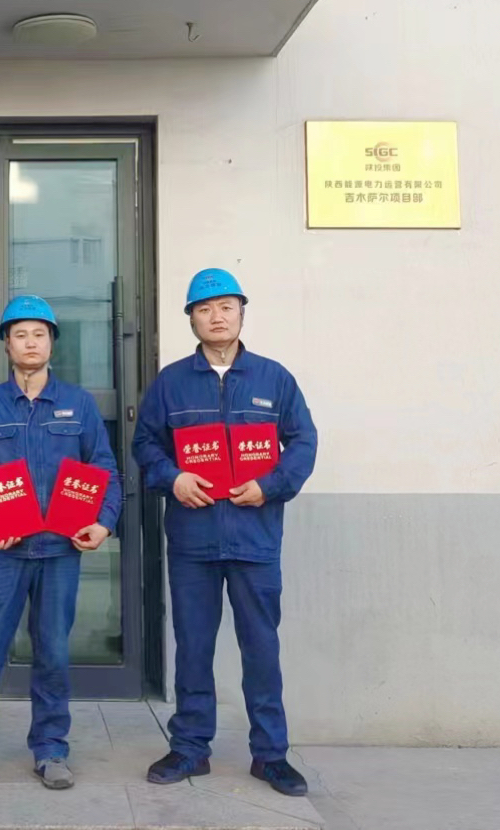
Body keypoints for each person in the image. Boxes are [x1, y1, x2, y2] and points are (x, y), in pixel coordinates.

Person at [131, 268, 318, 797]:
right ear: (191, 318)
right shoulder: (171, 383)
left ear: (241, 313)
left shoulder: (273, 379)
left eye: (226, 307)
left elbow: (303, 441)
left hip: (255, 538)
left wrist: (270, 486)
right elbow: (146, 444)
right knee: (192, 646)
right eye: (205, 309)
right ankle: (190, 748)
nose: (217, 317)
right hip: (193, 539)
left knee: (261, 647)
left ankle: (271, 755)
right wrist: (172, 478)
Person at [0, 295, 122, 796]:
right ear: (7, 345)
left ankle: (51, 748)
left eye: (39, 334)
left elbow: (104, 468)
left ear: (52, 343)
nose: (31, 343)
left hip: (60, 551)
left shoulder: (79, 404)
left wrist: (104, 523)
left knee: (54, 654)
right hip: (6, 552)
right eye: (20, 335)